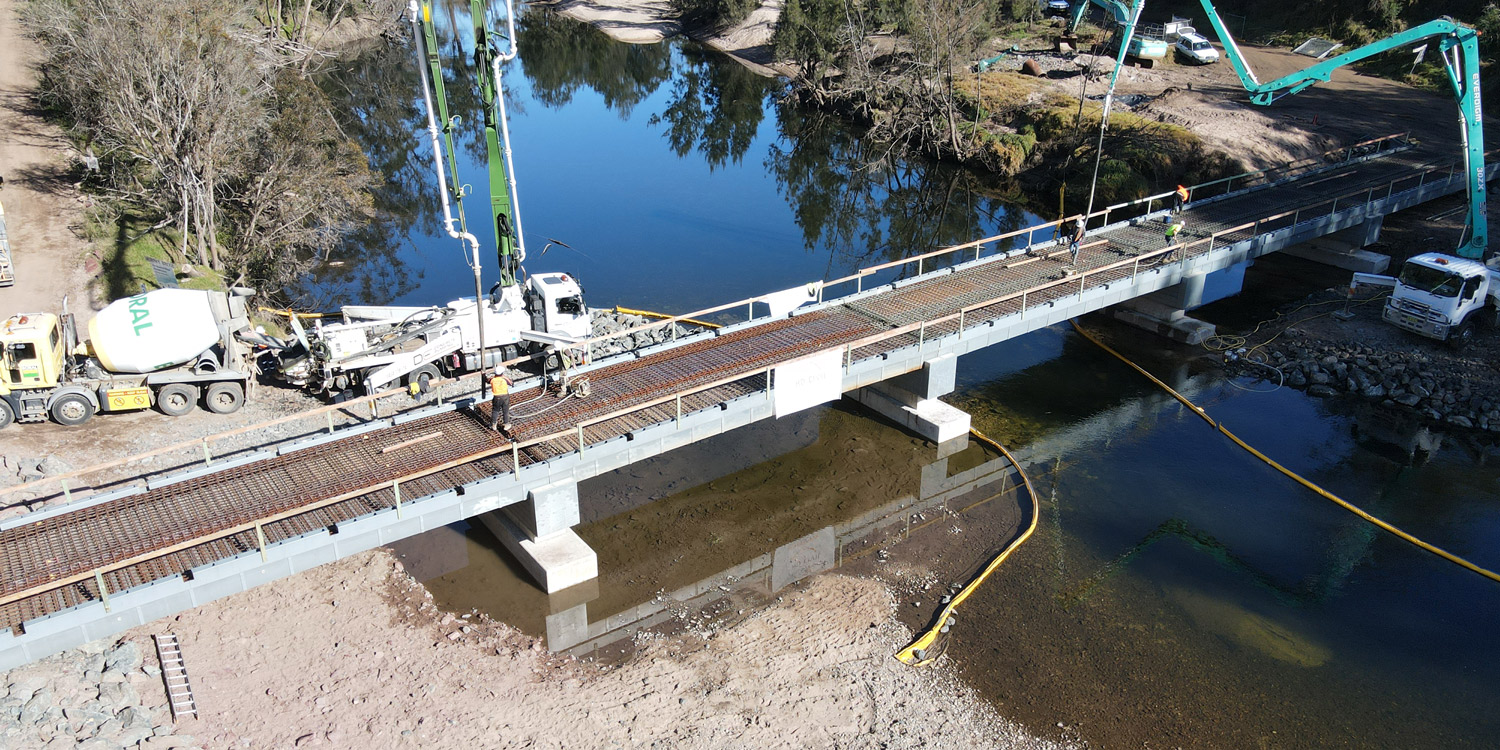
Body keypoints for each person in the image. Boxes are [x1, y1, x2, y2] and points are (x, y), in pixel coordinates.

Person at [487, 366, 514, 433]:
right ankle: (506, 424)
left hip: (496, 397)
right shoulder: (504, 379)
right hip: (505, 397)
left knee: (495, 410)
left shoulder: (492, 379)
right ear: (502, 373)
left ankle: (493, 424)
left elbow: (487, 380)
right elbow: (511, 383)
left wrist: (484, 376)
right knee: (505, 411)